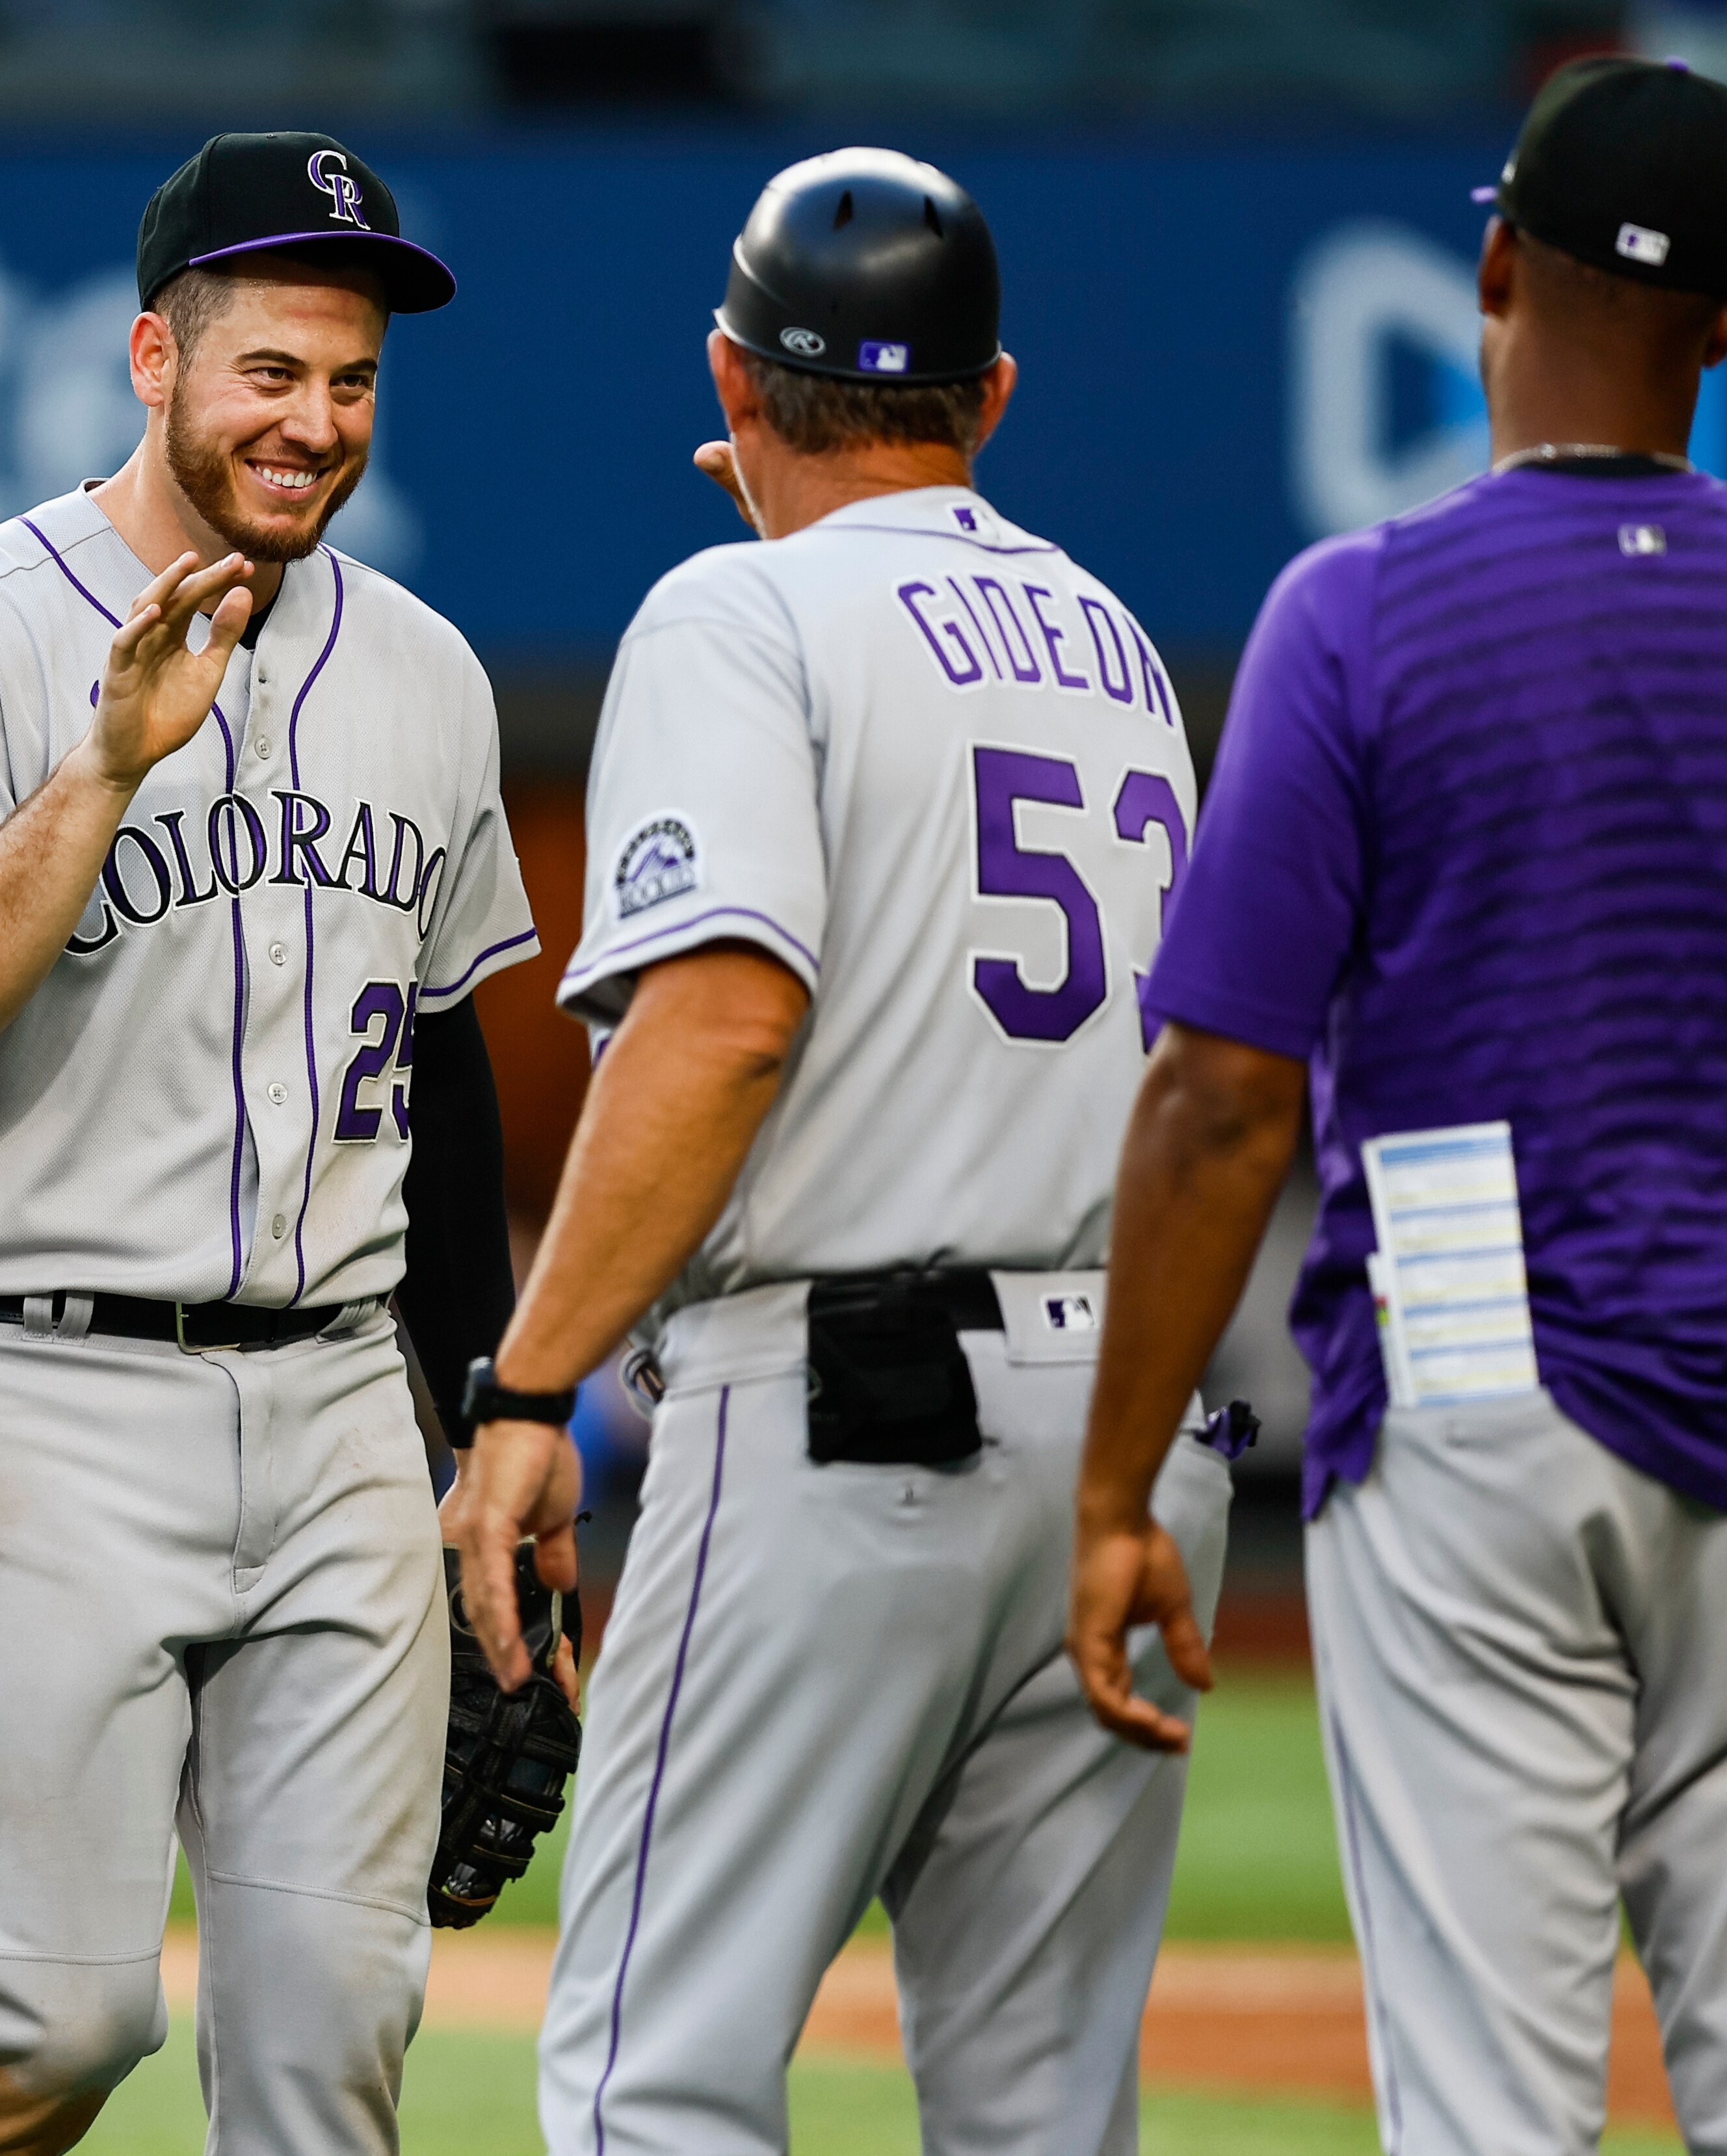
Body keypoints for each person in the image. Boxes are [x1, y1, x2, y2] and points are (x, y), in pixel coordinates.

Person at [441, 148, 1240, 2156]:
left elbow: (722, 1023)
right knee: (1043, 2109)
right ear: (990, 397)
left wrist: (532, 1380)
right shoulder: (1120, 642)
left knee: (658, 2077)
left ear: (731, 379)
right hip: (1128, 1423)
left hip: (849, 1422)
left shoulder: (738, 614)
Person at [0, 129, 533, 2154]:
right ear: (154, 357)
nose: (317, 421)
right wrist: (106, 767)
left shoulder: (427, 668)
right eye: (272, 371)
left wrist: (486, 1413)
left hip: (333, 1413)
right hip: (25, 1388)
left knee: (334, 2044)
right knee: (50, 2014)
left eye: (355, 380)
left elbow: (452, 1058)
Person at [1067, 57, 1727, 2154]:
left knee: (1488, 2112)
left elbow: (1220, 1102)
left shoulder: (1359, 610)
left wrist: (1115, 1489)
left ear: (1496, 266)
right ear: (1722, 334)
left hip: (1478, 1378)